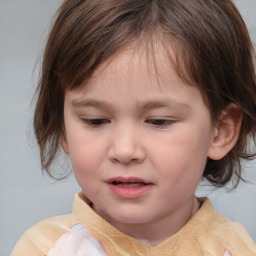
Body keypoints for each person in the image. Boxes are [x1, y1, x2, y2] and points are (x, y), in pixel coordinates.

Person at [11, 0, 256, 255]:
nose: (125, 150)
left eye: (159, 121)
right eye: (95, 120)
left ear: (221, 131)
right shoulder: (43, 249)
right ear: (62, 126)